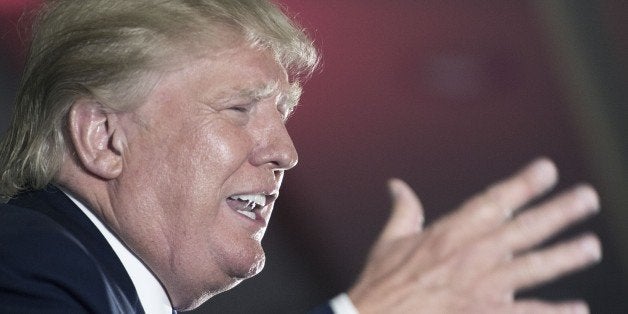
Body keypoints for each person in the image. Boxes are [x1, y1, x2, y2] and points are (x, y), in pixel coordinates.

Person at [0, 0, 601, 313]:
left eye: (281, 117)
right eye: (238, 109)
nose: (286, 151)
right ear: (104, 138)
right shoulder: (26, 262)